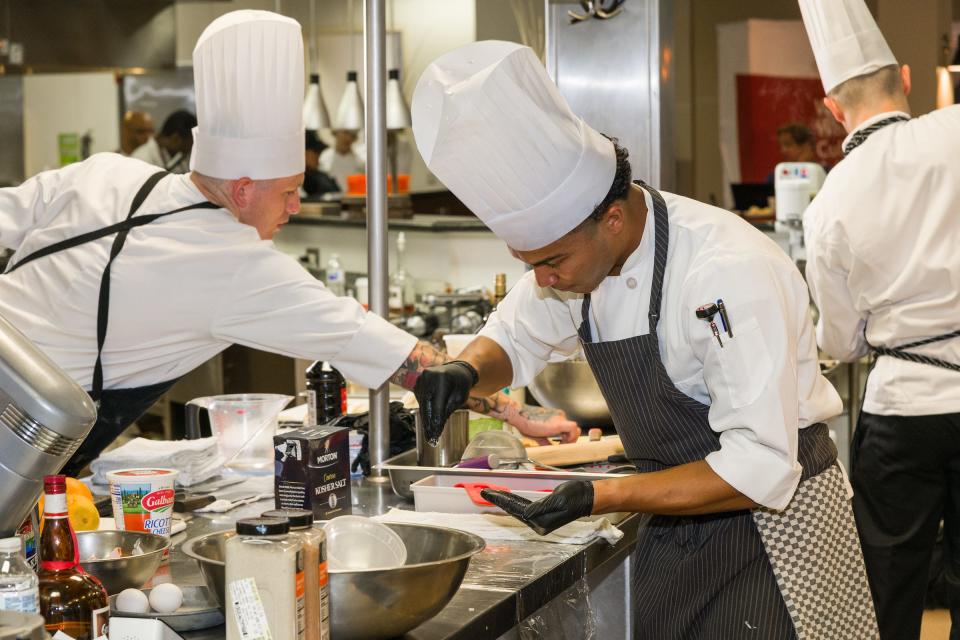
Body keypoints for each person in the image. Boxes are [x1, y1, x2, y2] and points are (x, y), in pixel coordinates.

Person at [410, 40, 879, 638]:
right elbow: (516, 331)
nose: (543, 279)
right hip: (675, 520)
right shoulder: (577, 260)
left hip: (775, 536)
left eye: (551, 261)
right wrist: (467, 371)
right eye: (529, 263)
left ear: (610, 218)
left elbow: (758, 466)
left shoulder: (724, 272)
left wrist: (600, 497)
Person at [0, 12, 578, 476]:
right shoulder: (237, 268)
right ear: (245, 187)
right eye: (290, 191)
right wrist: (519, 414)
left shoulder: (101, 172)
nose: (298, 207)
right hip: (16, 449)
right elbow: (407, 364)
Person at [798, 0, 960, 637]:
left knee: (890, 584)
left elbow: (839, 339)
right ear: (909, 80)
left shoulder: (830, 201)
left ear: (834, 109)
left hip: (903, 411)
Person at [132, 109, 196, 174]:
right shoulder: (142, 158)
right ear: (175, 139)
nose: (188, 151)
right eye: (186, 147)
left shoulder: (169, 153)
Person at [303, 130, 339, 197]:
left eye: (319, 152)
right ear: (304, 152)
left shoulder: (322, 176)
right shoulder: (296, 180)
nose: (318, 157)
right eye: (315, 152)